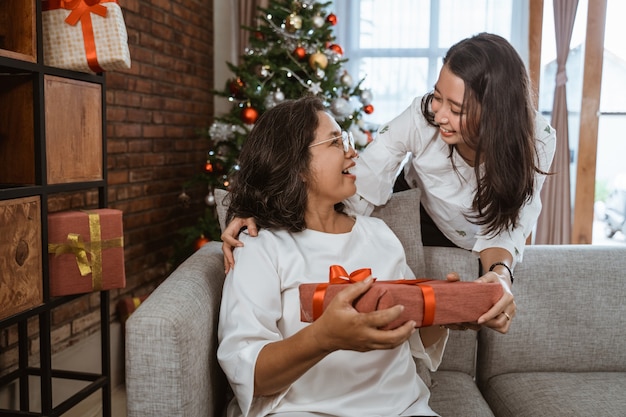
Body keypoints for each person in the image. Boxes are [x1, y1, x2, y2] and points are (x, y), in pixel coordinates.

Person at [221, 33, 557, 334]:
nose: (438, 114)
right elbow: (363, 178)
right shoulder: (420, 118)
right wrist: (262, 215)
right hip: (420, 208)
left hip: (480, 232)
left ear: (496, 115)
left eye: (456, 109)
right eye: (438, 96)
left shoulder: (538, 140)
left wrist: (499, 274)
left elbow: (507, 224)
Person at [217, 96, 450, 417]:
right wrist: (323, 338)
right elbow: (248, 372)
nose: (353, 153)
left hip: (400, 409)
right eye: (337, 142)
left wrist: (450, 312)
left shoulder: (379, 235)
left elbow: (412, 332)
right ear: (296, 165)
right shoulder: (259, 246)